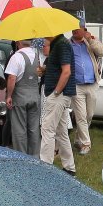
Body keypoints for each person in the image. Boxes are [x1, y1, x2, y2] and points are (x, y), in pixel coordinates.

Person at [39, 32, 75, 174]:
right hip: (61, 94)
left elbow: (66, 72)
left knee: (47, 129)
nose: (42, 35)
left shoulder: (62, 44)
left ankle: (45, 168)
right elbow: (60, 68)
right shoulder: (58, 44)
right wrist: (45, 70)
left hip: (59, 94)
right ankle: (69, 168)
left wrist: (55, 92)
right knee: (61, 132)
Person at [5, 38, 44, 156]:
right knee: (34, 129)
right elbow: (40, 74)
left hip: (20, 96)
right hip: (34, 94)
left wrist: (9, 96)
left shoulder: (16, 57)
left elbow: (12, 78)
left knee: (19, 129)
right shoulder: (37, 56)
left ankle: (22, 157)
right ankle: (35, 156)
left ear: (18, 43)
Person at [70, 26, 103, 156]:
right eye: (73, 29)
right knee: (81, 116)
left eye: (77, 29)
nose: (74, 31)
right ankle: (86, 144)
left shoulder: (91, 41)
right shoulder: (68, 44)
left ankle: (78, 140)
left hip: (92, 83)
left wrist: (91, 40)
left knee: (89, 115)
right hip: (76, 84)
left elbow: (102, 52)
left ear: (84, 30)